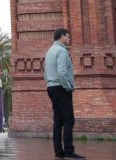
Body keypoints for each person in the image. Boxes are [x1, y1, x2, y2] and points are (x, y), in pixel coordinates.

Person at [44, 28, 85, 159]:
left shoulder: (49, 51)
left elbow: (45, 73)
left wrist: (50, 83)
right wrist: (68, 87)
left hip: (51, 87)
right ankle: (69, 151)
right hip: (61, 88)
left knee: (58, 120)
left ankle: (59, 152)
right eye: (67, 36)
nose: (69, 39)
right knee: (69, 120)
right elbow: (62, 72)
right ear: (61, 37)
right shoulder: (62, 51)